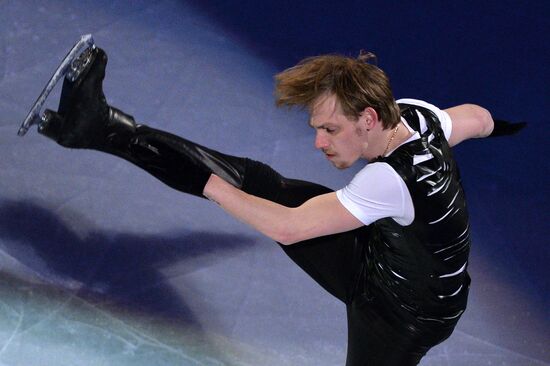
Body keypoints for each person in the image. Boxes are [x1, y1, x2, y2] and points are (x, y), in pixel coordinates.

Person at [37, 47, 521, 365]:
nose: (318, 142)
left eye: (330, 130)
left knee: (238, 186)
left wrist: (210, 187)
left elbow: (289, 229)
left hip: (404, 316)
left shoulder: (387, 180)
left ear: (368, 119)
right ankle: (100, 126)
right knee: (257, 180)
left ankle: (101, 129)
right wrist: (505, 126)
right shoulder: (418, 117)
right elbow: (475, 119)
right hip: (388, 257)